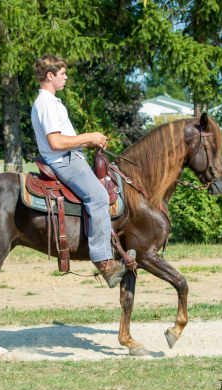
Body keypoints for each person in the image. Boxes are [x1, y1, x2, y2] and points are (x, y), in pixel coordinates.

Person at [31, 54, 133, 288]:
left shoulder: (53, 102)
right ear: (50, 75)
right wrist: (89, 138)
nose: (66, 77)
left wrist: (89, 142)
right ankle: (104, 263)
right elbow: (55, 143)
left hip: (70, 157)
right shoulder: (46, 103)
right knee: (98, 196)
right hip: (64, 160)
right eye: (62, 73)